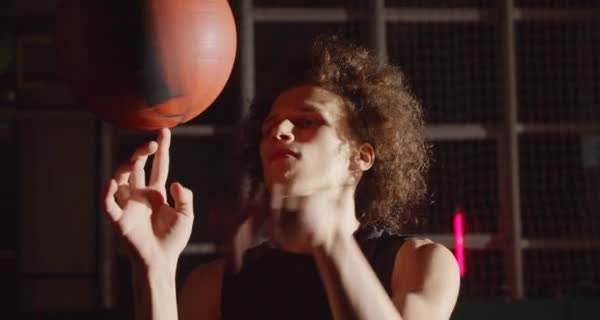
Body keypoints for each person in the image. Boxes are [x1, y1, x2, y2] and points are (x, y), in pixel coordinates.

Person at [102, 35, 460, 320]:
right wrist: (154, 269)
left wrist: (331, 240)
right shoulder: (216, 284)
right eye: (269, 126)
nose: (280, 131)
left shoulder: (419, 262)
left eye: (307, 121)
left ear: (361, 156)